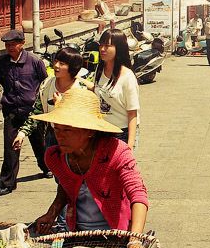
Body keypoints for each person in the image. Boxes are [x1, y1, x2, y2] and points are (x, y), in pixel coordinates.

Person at [29, 87, 149, 237]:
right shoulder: (55, 157)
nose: (59, 136)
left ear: (90, 131)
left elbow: (138, 194)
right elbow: (65, 186)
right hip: (77, 234)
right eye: (57, 129)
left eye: (67, 130)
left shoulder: (117, 152)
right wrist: (51, 213)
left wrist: (135, 238)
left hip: (116, 234)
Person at [0, 29, 49, 196]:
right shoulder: (3, 62)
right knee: (10, 147)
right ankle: (8, 182)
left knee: (39, 143)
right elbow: (4, 82)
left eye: (13, 45)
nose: (10, 48)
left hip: (32, 111)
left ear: (22, 44)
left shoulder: (34, 61)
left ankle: (46, 166)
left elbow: (44, 83)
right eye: (7, 45)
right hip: (12, 110)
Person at [13, 47, 87, 153]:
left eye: (62, 63)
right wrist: (22, 133)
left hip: (75, 137)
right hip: (52, 135)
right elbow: (38, 111)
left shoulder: (81, 89)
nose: (56, 66)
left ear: (73, 68)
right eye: (56, 61)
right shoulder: (47, 84)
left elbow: (84, 118)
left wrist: (60, 106)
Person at [91, 29, 140, 150]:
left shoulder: (127, 77)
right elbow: (98, 90)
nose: (102, 49)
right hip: (101, 131)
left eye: (107, 46)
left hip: (120, 133)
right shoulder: (99, 70)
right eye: (101, 45)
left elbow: (132, 113)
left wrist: (129, 145)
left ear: (119, 48)